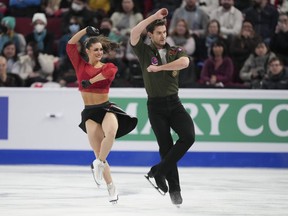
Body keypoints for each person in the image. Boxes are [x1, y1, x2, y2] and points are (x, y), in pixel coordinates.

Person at [130, 8, 195, 206]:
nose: (162, 35)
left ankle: (157, 171)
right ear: (150, 34)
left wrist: (159, 68)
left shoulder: (175, 51)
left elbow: (185, 63)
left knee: (188, 137)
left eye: (164, 32)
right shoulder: (144, 51)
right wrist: (155, 17)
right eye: (158, 32)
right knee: (165, 146)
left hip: (174, 103)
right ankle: (175, 191)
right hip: (155, 106)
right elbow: (134, 33)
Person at [66, 26, 138, 203]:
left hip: (106, 108)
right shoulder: (79, 64)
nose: (99, 52)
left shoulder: (109, 66)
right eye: (96, 49)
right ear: (88, 50)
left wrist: (89, 81)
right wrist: (85, 30)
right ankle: (111, 186)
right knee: (98, 150)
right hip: (89, 113)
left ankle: (98, 163)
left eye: (101, 49)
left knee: (111, 132)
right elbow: (70, 45)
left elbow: (107, 74)